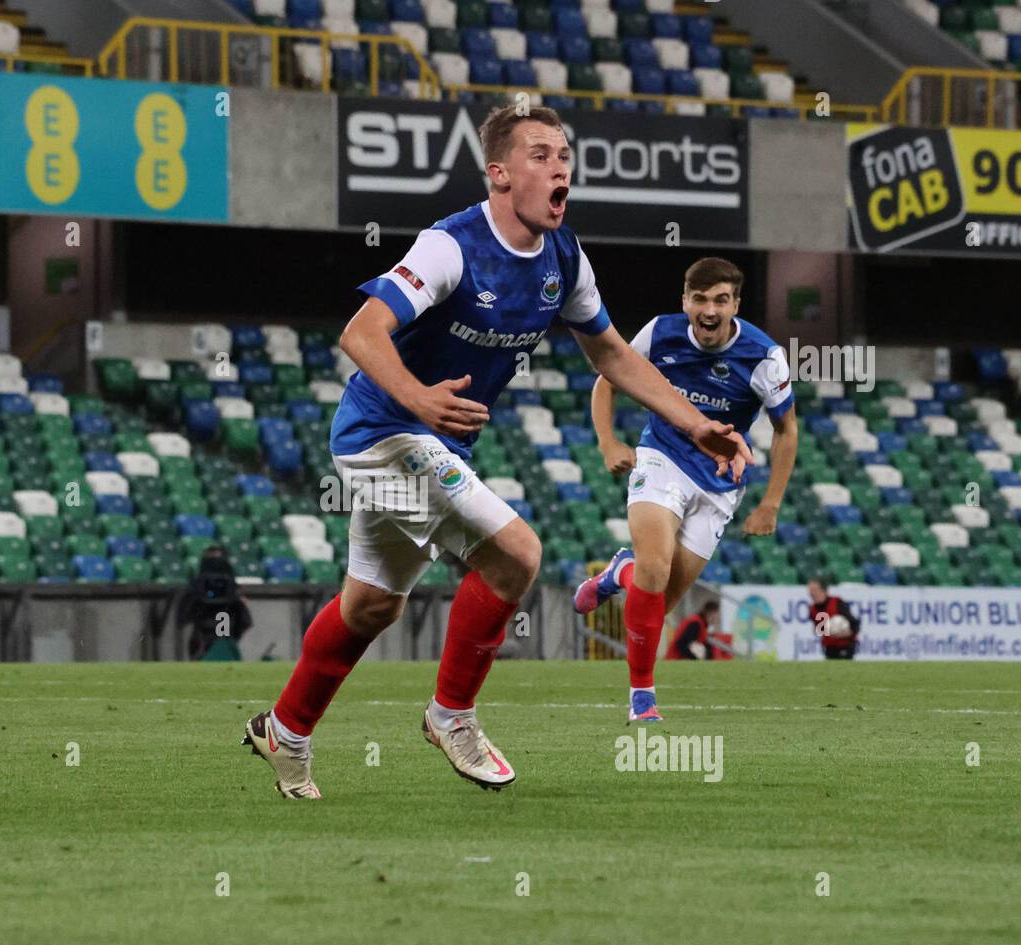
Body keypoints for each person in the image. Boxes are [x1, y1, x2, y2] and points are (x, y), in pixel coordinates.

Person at [241, 105, 751, 799]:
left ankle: (286, 731)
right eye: (541, 154)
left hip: (432, 441)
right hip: (383, 435)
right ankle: (451, 716)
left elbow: (610, 354)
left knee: (370, 608)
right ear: (501, 174)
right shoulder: (450, 246)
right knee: (517, 555)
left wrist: (697, 425)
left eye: (564, 153)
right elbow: (362, 335)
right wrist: (419, 399)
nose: (560, 165)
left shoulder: (564, 257)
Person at [573, 257, 798, 722]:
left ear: (735, 304)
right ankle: (642, 697)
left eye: (720, 300)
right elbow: (608, 379)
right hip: (662, 459)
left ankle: (618, 574)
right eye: (699, 299)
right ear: (685, 301)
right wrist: (608, 441)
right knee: (654, 568)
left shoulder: (765, 357)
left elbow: (786, 429)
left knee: (659, 600)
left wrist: (770, 503)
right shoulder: (660, 333)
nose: (709, 309)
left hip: (719, 486)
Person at [177, 546, 251, 661]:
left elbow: (243, 619)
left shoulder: (229, 584)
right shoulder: (199, 585)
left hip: (225, 622)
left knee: (223, 648)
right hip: (204, 626)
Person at [808, 577, 860, 659]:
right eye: (810, 590)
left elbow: (854, 622)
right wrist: (820, 630)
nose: (811, 593)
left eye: (814, 590)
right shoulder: (812, 609)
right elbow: (818, 628)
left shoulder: (837, 602)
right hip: (829, 647)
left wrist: (847, 632)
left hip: (845, 645)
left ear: (823, 590)